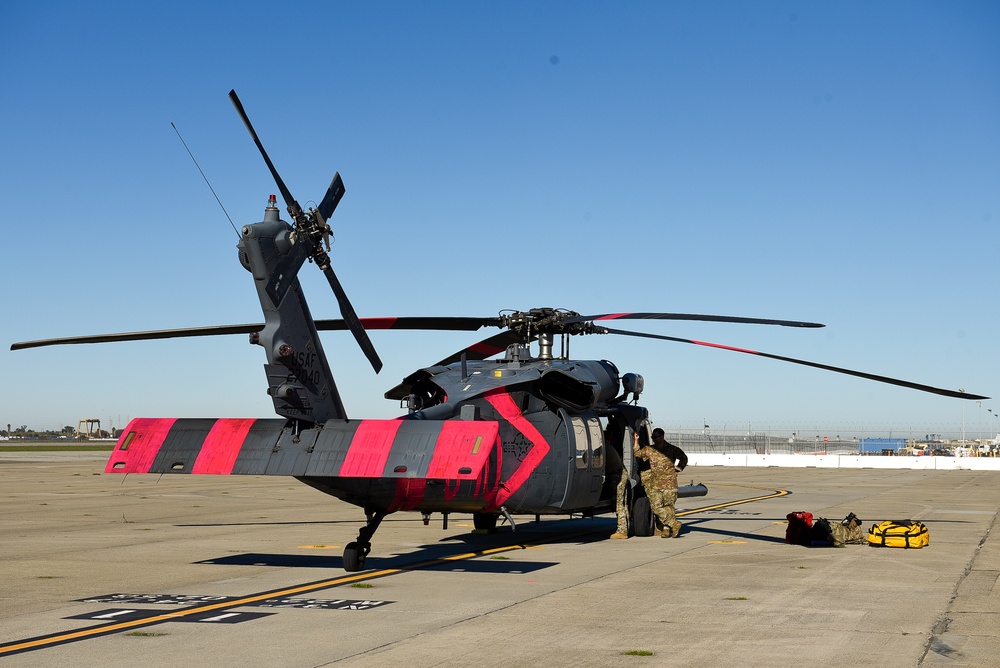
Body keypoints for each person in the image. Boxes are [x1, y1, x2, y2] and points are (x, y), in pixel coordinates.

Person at [634, 427, 688, 538]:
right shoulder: (650, 449)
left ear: (662, 437)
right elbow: (637, 453)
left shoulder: (672, 449)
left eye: (655, 437)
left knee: (669, 507)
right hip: (656, 484)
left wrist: (678, 468)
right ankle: (674, 524)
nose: (653, 439)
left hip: (670, 484)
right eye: (652, 437)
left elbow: (683, 458)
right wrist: (636, 440)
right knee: (656, 507)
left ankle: (666, 530)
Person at [606, 426, 630, 539]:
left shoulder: (604, 448)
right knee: (623, 503)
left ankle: (622, 530)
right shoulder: (609, 447)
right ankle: (625, 528)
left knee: (618, 503)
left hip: (617, 475)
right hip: (621, 473)